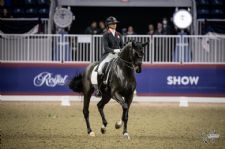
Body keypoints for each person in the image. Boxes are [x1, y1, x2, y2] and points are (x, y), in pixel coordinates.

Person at [95, 16, 123, 95]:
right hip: (108, 55)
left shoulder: (119, 34)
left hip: (118, 55)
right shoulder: (106, 34)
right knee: (100, 69)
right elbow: (106, 48)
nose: (115, 24)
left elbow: (122, 45)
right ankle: (99, 89)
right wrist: (114, 50)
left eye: (115, 23)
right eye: (113, 23)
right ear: (108, 24)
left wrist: (121, 50)